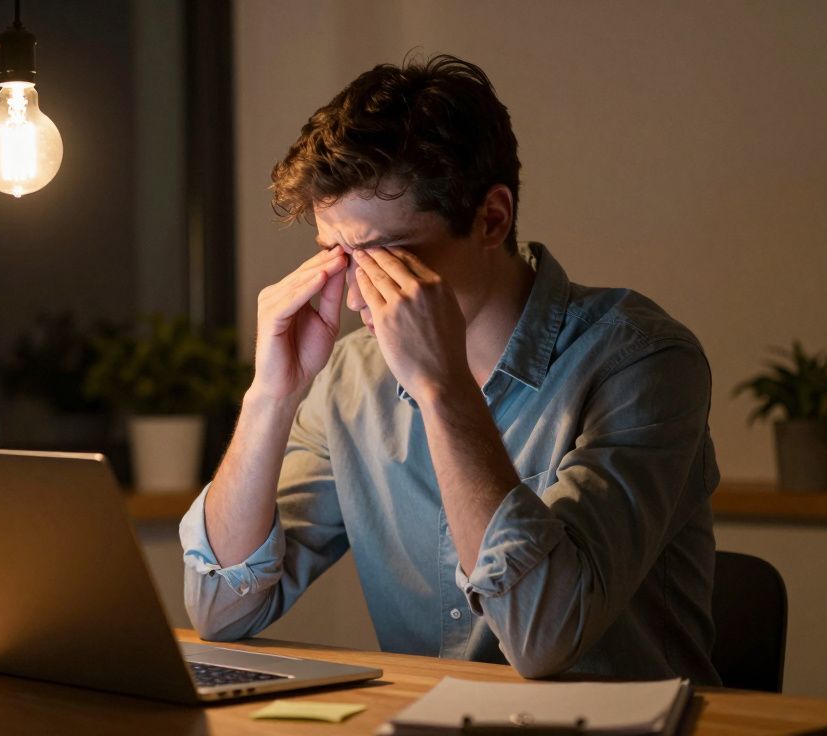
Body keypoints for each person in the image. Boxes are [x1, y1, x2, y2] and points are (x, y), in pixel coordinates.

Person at [179, 55, 721, 683]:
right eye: (335, 254)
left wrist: (443, 390)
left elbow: (542, 636)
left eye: (383, 253)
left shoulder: (643, 361)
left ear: (492, 218)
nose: (356, 296)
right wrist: (271, 395)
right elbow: (222, 610)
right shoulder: (351, 378)